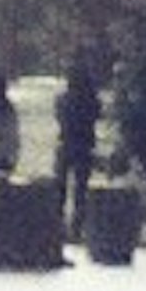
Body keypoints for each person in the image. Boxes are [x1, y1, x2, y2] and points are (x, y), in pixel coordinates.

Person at [52, 51, 106, 211]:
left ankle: (58, 218)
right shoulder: (92, 100)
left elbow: (59, 117)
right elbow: (97, 116)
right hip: (84, 145)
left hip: (66, 143)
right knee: (81, 189)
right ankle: (77, 222)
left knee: (60, 186)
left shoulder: (63, 99)